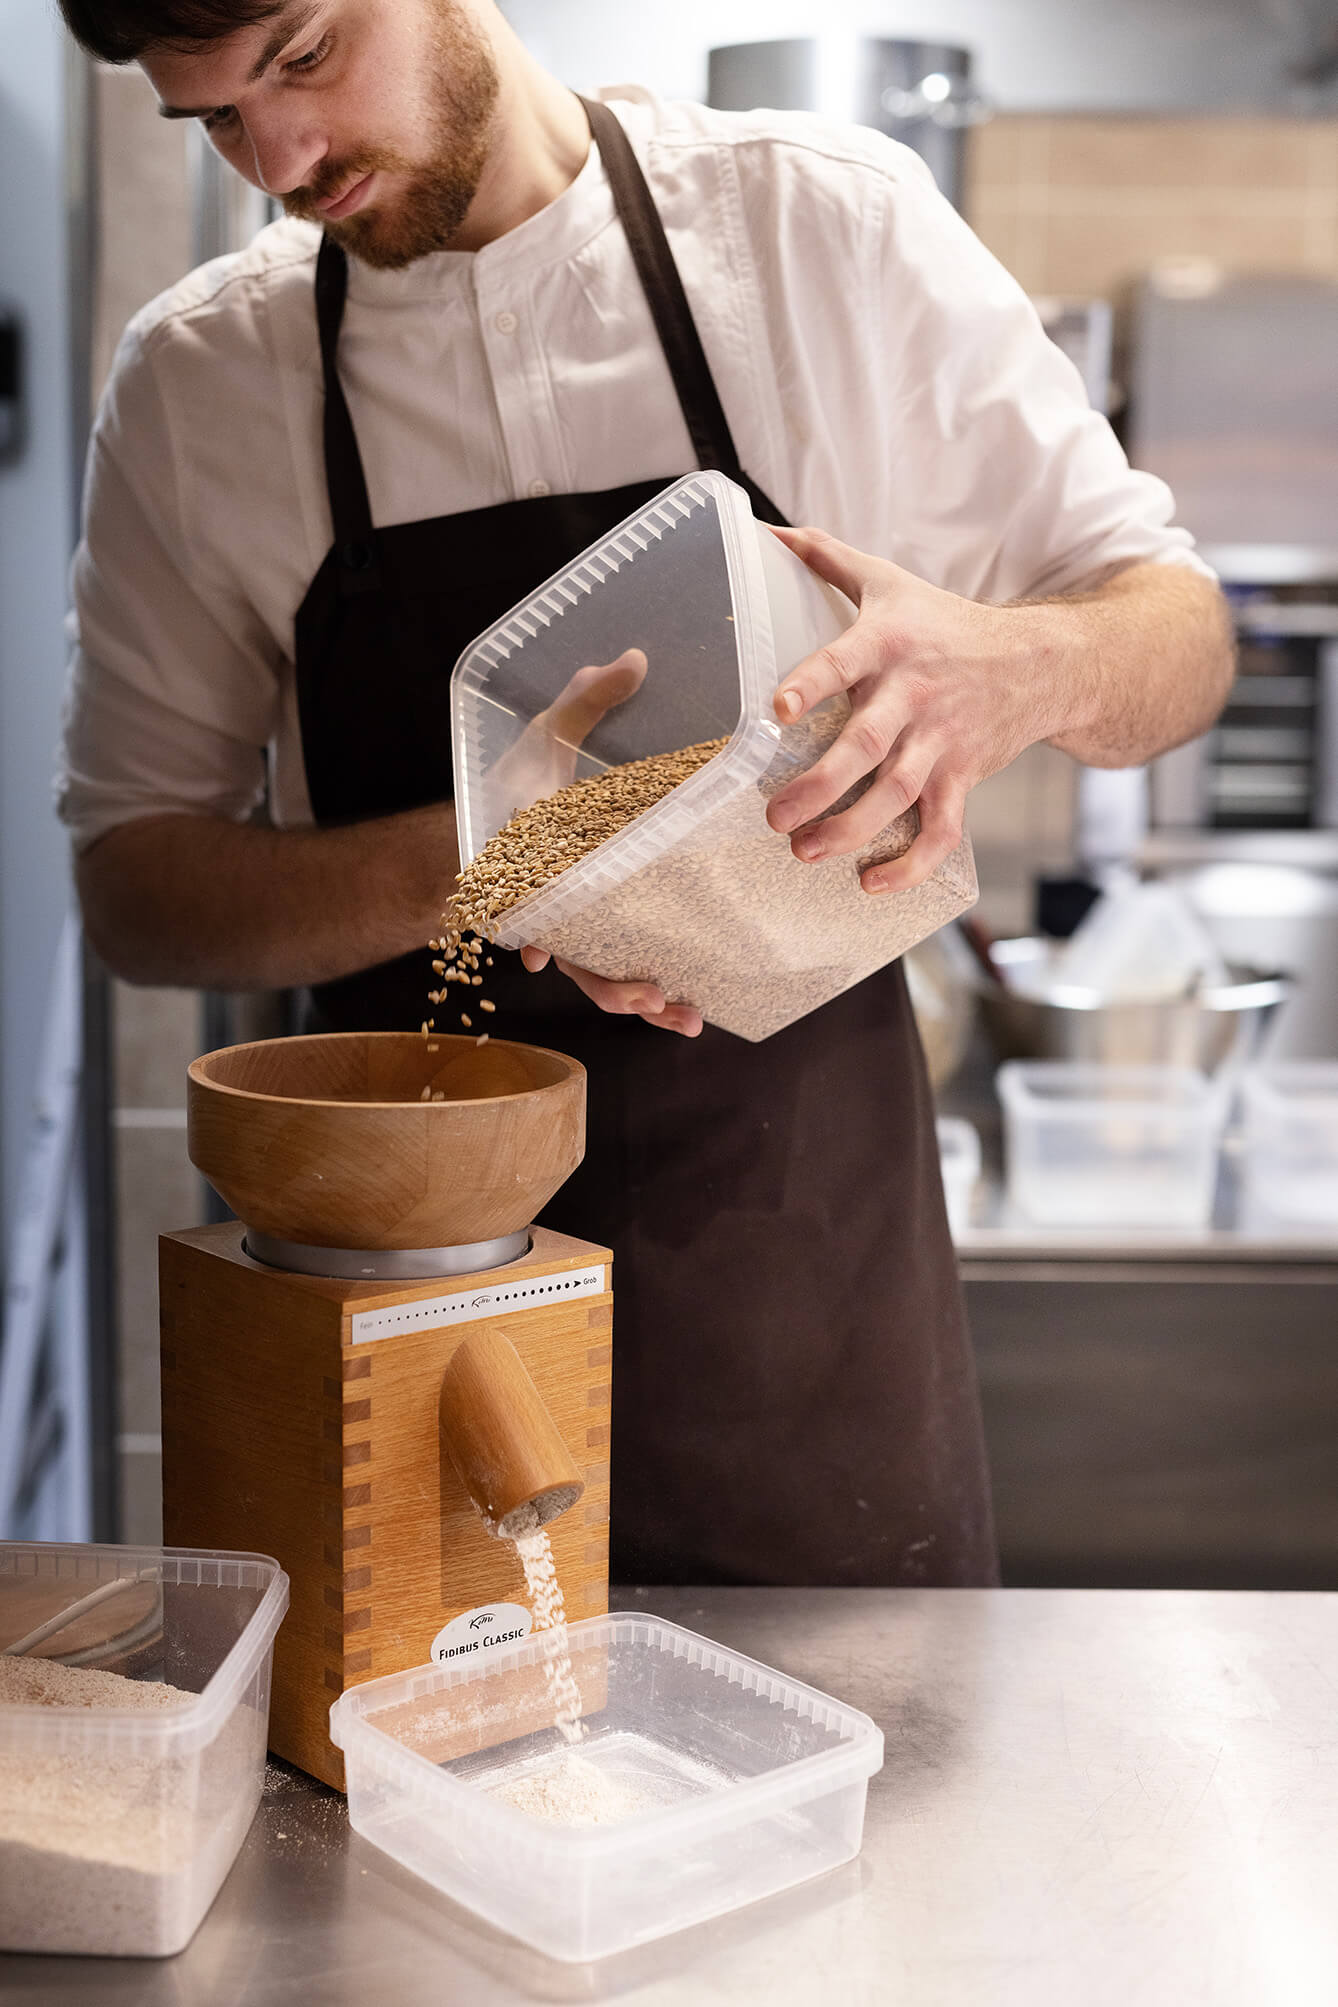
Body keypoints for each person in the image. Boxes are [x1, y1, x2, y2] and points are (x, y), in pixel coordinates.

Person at [55, 0, 1234, 1588]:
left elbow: (1174, 637)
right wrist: (493, 854)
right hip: (408, 1294)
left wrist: (1006, 670)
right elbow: (135, 887)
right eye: (209, 121)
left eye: (303, 58)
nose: (278, 159)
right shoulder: (202, 382)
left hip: (798, 1284)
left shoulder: (818, 228)